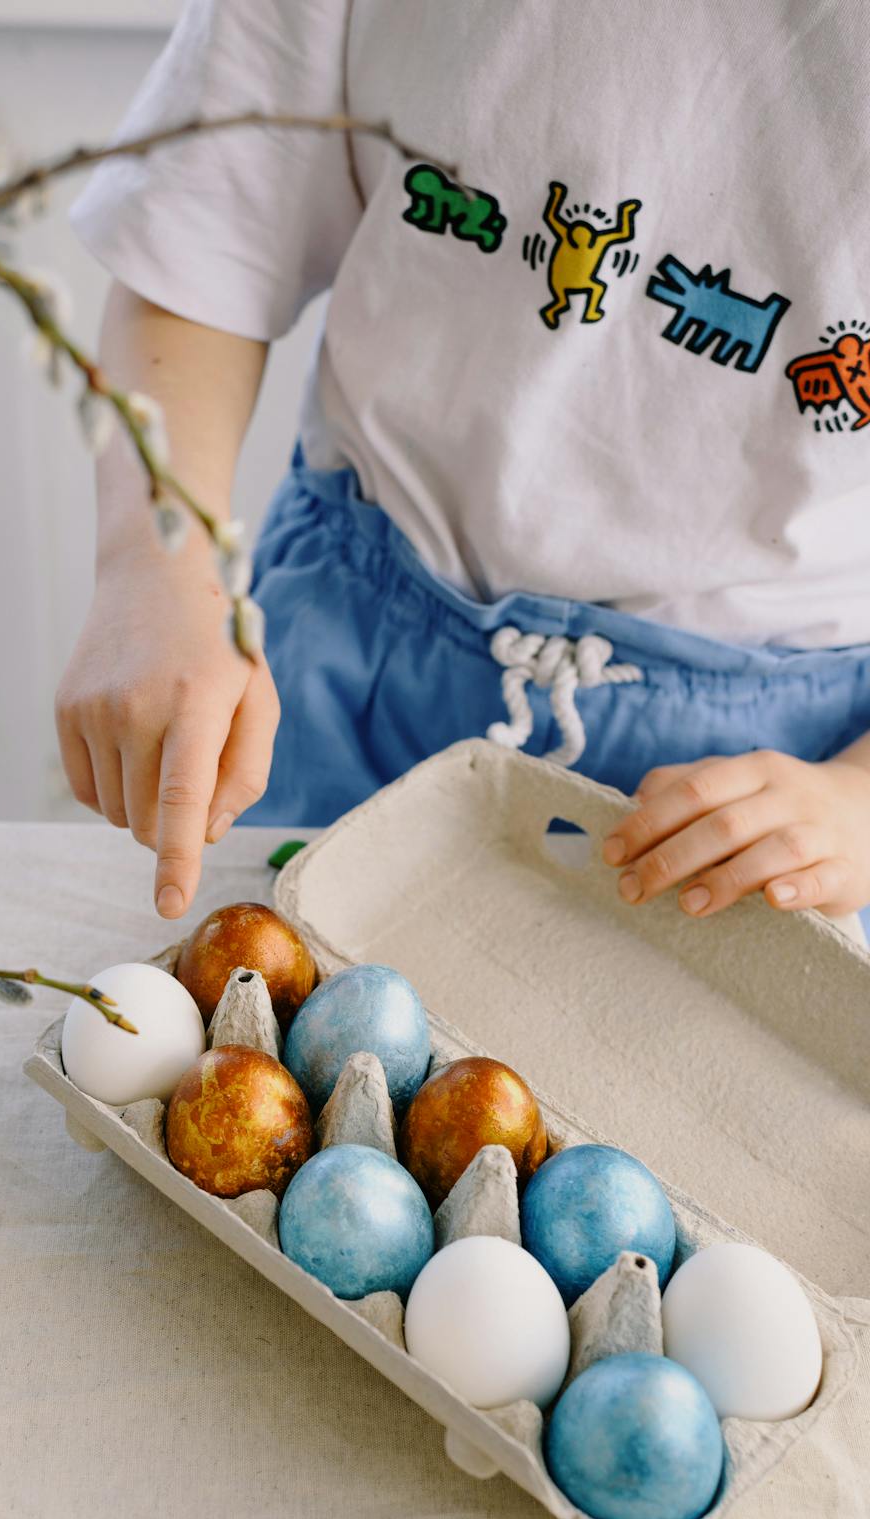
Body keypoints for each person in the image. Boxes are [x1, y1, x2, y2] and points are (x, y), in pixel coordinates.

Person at [56, 0, 870, 936]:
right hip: (349, 664)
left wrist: (857, 799)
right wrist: (153, 569)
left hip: (771, 790)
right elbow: (196, 258)